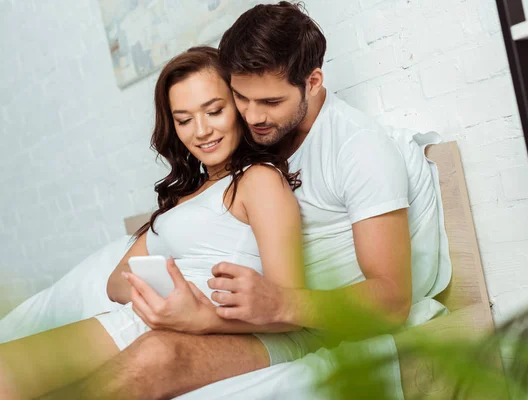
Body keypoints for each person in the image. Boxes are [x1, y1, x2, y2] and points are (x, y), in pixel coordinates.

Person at [40, 2, 449, 399]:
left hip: (291, 326)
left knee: (151, 360)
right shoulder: (252, 143)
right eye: (240, 98)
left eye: (270, 102)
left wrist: (279, 303)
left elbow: (393, 299)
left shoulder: (357, 149)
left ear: (313, 81)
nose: (252, 117)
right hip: (229, 309)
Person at [0, 46, 308, 399]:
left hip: (224, 328)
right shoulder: (182, 199)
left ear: (238, 105)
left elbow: (289, 305)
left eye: (214, 111)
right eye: (184, 119)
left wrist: (197, 314)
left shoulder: (258, 180)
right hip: (158, 313)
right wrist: (165, 298)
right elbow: (117, 281)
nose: (202, 131)